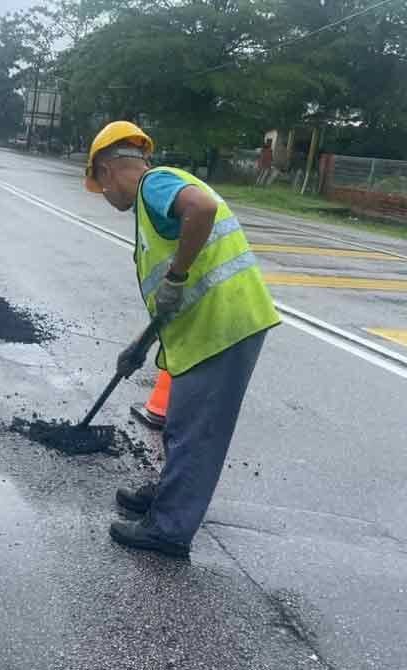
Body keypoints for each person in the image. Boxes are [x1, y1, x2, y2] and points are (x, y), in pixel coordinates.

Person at [84, 121, 281, 559]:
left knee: (197, 432)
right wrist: (139, 345)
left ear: (107, 170)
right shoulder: (155, 194)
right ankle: (171, 494)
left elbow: (202, 209)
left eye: (100, 186)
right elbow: (171, 297)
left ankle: (169, 530)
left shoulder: (154, 184)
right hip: (211, 327)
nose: (106, 198)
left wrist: (177, 274)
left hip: (224, 325)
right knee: (182, 423)